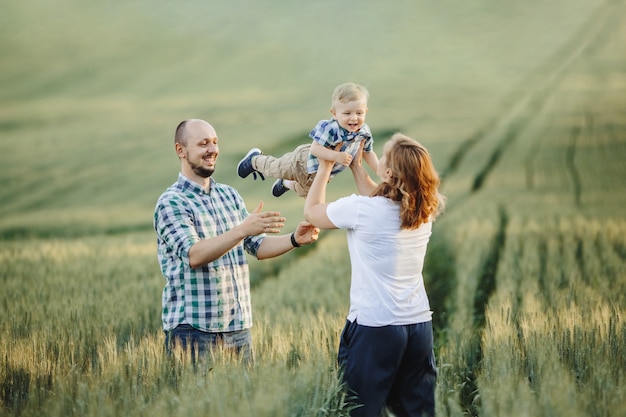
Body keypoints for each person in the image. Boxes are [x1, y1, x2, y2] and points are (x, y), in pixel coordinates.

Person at [154, 118, 319, 364]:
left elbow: (258, 246)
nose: (212, 149)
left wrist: (295, 239)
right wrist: (242, 230)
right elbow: (194, 255)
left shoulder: (228, 195)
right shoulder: (172, 202)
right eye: (203, 144)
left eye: (214, 142)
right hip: (193, 331)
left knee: (243, 402)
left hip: (238, 329)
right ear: (181, 150)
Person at [303, 133, 446, 417]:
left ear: (390, 173)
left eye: (382, 157)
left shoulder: (362, 209)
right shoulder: (422, 209)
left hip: (376, 328)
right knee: (417, 412)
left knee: (362, 410)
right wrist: (357, 168)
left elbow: (312, 213)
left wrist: (325, 165)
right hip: (418, 327)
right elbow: (382, 197)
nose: (375, 158)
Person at [237, 82, 379, 198]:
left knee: (306, 193)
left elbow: (368, 152)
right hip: (302, 162)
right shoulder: (329, 128)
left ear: (366, 111)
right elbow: (315, 148)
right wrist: (336, 156)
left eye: (359, 113)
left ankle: (285, 184)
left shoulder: (364, 132)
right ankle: (254, 160)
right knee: (275, 168)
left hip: (322, 175)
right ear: (334, 114)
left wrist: (379, 170)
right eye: (347, 113)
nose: (354, 118)